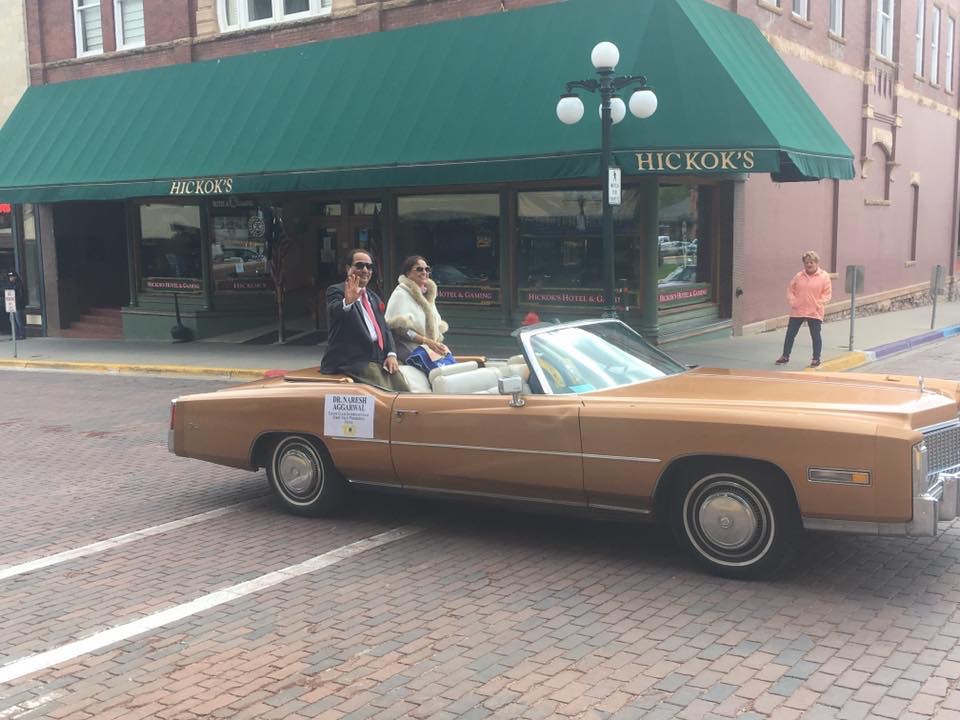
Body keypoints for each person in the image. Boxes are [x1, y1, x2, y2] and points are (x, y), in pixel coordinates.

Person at [320, 249, 409, 391]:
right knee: (387, 392)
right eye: (360, 265)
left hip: (379, 358)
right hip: (353, 362)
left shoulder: (373, 297)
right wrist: (347, 302)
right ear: (348, 268)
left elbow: (385, 329)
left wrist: (391, 354)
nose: (365, 270)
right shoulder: (336, 291)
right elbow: (334, 313)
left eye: (369, 266)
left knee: (404, 387)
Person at [384, 255, 449, 363]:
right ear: (408, 273)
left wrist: (436, 345)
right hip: (410, 350)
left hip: (431, 349)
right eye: (419, 269)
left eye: (427, 269)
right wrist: (426, 341)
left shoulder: (427, 295)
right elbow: (401, 330)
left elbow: (435, 327)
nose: (424, 272)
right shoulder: (401, 294)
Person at [775, 250, 832, 368]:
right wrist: (793, 301)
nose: (809, 264)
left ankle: (816, 359)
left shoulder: (824, 276)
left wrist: (818, 304)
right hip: (798, 310)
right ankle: (785, 356)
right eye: (806, 262)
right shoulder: (799, 276)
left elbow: (827, 294)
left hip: (815, 311)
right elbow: (790, 289)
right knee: (790, 334)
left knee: (815, 336)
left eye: (811, 262)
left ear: (816, 263)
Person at [3, 270, 26, 340]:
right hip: (11, 306)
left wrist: (16, 302)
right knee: (12, 320)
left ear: (15, 277)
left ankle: (21, 335)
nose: (11, 278)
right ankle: (15, 335)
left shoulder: (19, 285)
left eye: (12, 277)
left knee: (19, 320)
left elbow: (21, 296)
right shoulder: (9, 284)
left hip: (18, 306)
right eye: (10, 277)